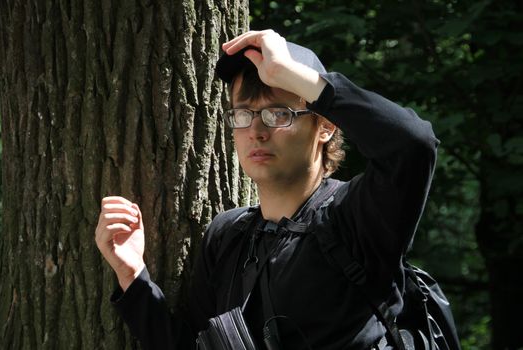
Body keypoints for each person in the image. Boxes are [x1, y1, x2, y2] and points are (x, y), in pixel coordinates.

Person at [95, 29, 438, 349]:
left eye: (277, 114)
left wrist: (292, 75)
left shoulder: (358, 215)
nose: (256, 131)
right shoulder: (228, 235)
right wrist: (133, 277)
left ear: (325, 126)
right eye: (243, 115)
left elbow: (412, 144)